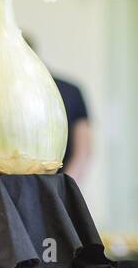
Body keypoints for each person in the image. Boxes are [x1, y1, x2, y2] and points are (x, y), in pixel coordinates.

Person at [21, 34, 92, 184]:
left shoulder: (69, 92)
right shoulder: (71, 90)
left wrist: (64, 189)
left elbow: (83, 150)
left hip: (55, 186)